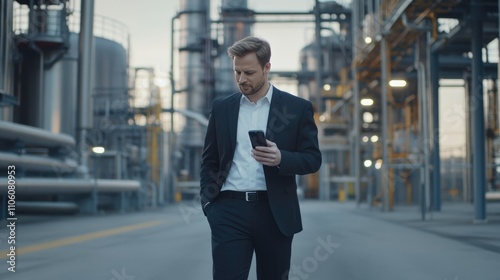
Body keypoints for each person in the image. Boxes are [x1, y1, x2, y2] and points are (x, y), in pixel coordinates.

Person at [200, 36, 322, 280]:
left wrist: (281, 158)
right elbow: (210, 159)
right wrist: (209, 203)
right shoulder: (222, 107)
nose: (241, 79)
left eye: (249, 72)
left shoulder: (297, 108)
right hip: (228, 210)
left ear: (267, 67)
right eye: (237, 72)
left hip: (274, 212)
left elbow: (312, 159)